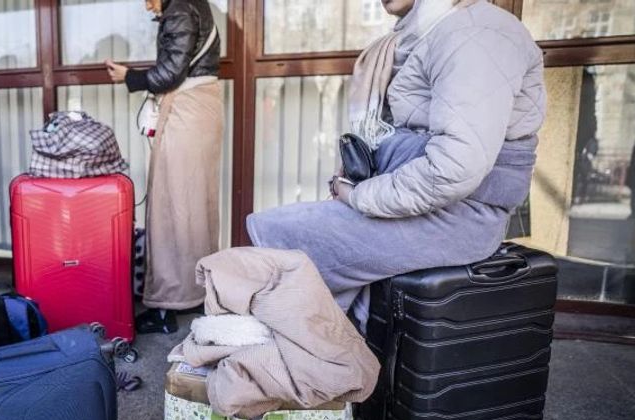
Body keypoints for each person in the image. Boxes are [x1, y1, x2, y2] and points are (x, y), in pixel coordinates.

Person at [246, 0, 547, 325]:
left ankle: (292, 362)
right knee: (283, 245)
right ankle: (299, 356)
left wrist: (359, 196)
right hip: (420, 201)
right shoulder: (422, 33)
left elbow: (454, 167)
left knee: (283, 244)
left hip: (458, 215)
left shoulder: (476, 32)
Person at [106, 0, 223, 334]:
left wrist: (129, 76)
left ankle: (166, 308)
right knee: (197, 208)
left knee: (170, 209)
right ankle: (198, 293)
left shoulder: (181, 10)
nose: (146, 6)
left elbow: (171, 72)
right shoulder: (194, 5)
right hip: (201, 111)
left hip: (186, 110)